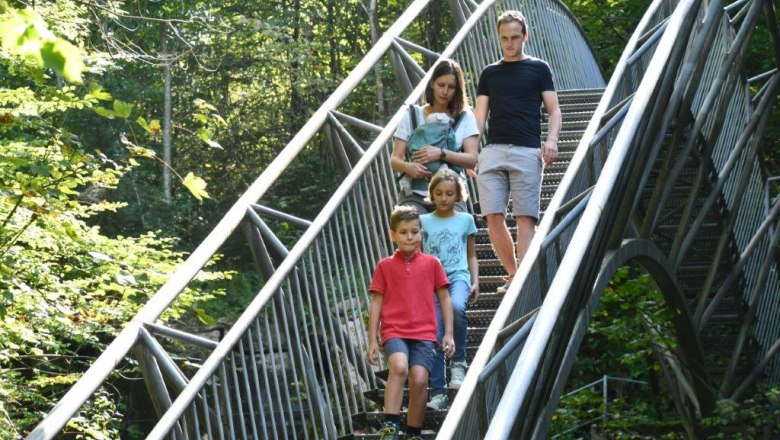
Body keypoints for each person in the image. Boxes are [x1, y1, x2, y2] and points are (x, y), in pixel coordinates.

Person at [474, 10, 562, 294]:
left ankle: (523, 283)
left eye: (514, 37)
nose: (509, 43)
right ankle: (514, 275)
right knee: (492, 215)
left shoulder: (539, 68)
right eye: (504, 38)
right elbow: (479, 117)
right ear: (499, 39)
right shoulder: (489, 73)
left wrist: (551, 141)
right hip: (493, 150)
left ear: (525, 36)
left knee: (525, 218)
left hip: (527, 150)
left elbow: (554, 110)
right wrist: (471, 152)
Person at [365, 205, 455, 440]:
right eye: (403, 232)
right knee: (399, 367)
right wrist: (372, 339)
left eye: (414, 232)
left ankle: (414, 432)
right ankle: (390, 426)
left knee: (420, 380)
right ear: (392, 235)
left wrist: (448, 333)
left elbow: (445, 298)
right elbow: (376, 303)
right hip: (394, 330)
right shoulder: (384, 266)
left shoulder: (432, 263)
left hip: (424, 333)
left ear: (421, 234)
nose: (409, 237)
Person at [420, 169, 479, 410]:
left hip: (458, 277)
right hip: (431, 283)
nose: (444, 198)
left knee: (456, 307)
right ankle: (438, 393)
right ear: (432, 194)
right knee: (434, 332)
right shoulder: (423, 221)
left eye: (449, 193)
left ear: (458, 195)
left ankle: (458, 363)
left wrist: (475, 281)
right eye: (439, 193)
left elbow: (471, 254)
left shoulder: (466, 220)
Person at [392, 58, 479, 214]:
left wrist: (441, 154)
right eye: (441, 85)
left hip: (451, 194)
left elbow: (472, 160)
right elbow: (395, 159)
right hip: (415, 194)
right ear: (432, 83)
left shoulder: (465, 116)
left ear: (458, 90)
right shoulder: (412, 114)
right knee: (407, 222)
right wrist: (407, 167)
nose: (445, 92)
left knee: (454, 226)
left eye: (451, 87)